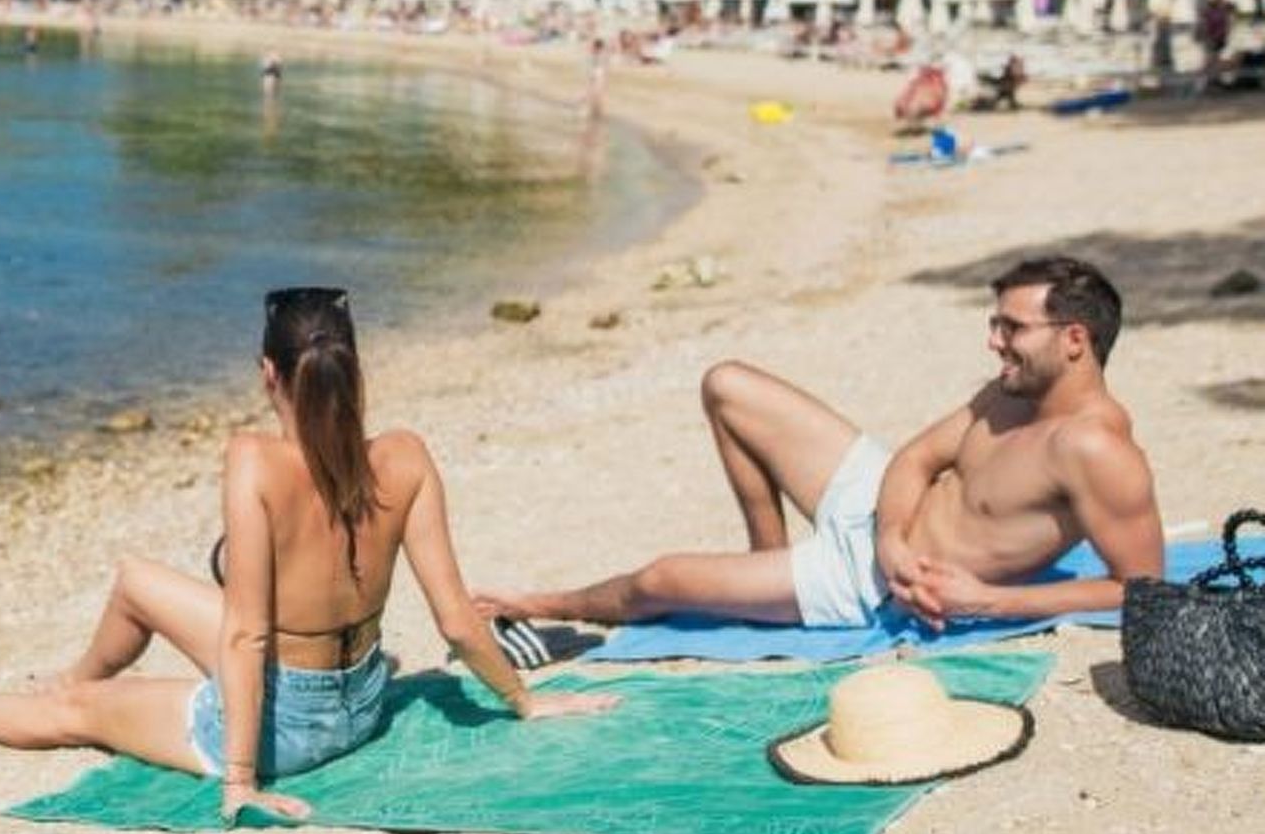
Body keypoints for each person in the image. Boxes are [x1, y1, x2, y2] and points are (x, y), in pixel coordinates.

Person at [0, 287, 618, 823]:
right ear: (353, 369)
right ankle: (62, 679)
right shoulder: (405, 458)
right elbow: (458, 622)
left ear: (267, 374)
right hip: (362, 699)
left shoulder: (254, 463)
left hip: (285, 727)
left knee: (81, 713)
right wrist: (522, 702)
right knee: (133, 580)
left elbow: (245, 633)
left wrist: (240, 780)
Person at [474, 256, 1163, 632]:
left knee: (660, 581)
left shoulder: (1097, 451)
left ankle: (536, 603)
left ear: (1075, 340)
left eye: (1012, 328)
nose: (994, 342)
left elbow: (1141, 588)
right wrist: (892, 532)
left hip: (869, 585)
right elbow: (915, 459)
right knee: (728, 384)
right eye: (995, 325)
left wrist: (991, 600)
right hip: (880, 517)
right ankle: (767, 563)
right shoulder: (1012, 391)